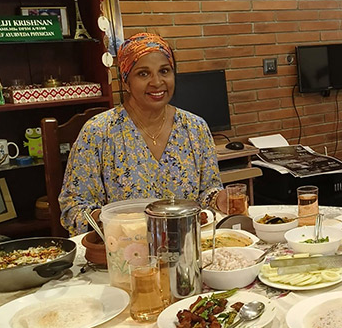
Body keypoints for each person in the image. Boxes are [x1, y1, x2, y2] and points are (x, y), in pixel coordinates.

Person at [59, 32, 228, 235]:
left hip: (187, 248)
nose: (157, 82)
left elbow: (207, 192)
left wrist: (218, 199)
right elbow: (73, 208)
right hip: (125, 254)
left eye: (164, 71)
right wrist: (115, 223)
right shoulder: (98, 133)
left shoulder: (195, 128)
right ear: (125, 82)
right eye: (143, 74)